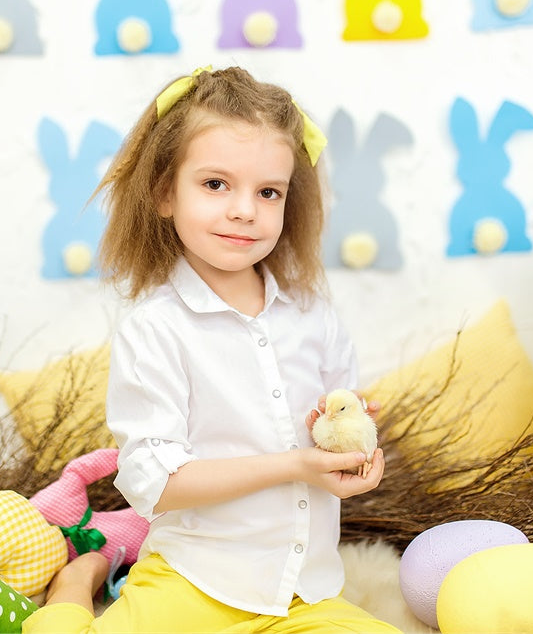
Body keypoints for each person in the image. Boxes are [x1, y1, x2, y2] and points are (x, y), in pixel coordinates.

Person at [23, 66, 397, 633]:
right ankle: (78, 579)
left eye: (267, 191)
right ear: (163, 193)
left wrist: (361, 457)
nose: (245, 209)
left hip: (305, 592)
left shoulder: (312, 318)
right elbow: (158, 483)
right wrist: (294, 465)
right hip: (194, 583)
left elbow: (348, 418)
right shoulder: (155, 330)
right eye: (216, 184)